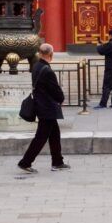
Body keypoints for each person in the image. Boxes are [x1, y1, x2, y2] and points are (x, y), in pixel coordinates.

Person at [18, 43, 71, 173]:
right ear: (51, 55)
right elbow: (55, 90)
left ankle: (57, 161)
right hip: (47, 108)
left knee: (54, 135)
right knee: (41, 137)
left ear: (40, 53)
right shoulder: (47, 71)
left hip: (41, 105)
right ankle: (25, 162)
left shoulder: (36, 66)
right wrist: (61, 99)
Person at [95, 28, 112, 109]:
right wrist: (103, 44)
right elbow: (108, 48)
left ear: (110, 35)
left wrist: (98, 45)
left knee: (106, 86)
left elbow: (101, 51)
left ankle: (103, 104)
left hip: (111, 68)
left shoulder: (111, 44)